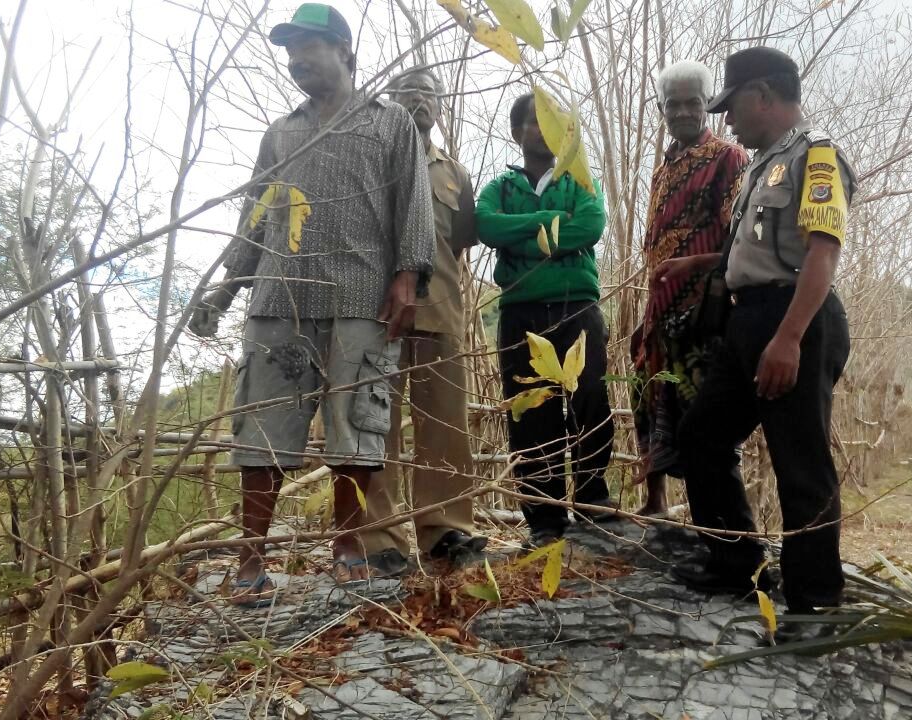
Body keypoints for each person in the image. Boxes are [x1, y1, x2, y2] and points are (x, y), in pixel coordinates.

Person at [188, 3, 434, 606]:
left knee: (356, 427)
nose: (297, 61)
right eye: (290, 51)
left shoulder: (391, 123)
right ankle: (251, 559)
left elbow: (415, 205)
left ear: (345, 52)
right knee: (262, 426)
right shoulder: (282, 132)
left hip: (361, 297)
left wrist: (407, 278)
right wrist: (224, 289)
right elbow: (255, 218)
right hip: (280, 298)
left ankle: (347, 546)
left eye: (309, 48)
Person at [668, 47, 855, 645]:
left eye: (733, 107)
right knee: (701, 435)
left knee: (800, 462)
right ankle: (736, 565)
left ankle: (814, 603)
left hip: (796, 318)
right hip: (747, 322)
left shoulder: (815, 155)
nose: (727, 122)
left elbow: (822, 253)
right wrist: (695, 263)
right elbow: (749, 251)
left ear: (764, 96)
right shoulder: (759, 165)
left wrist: (790, 339)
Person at [354, 69, 488, 569]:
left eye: (429, 94)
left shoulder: (455, 173)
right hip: (376, 311)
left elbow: (460, 242)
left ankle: (446, 530)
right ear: (390, 102)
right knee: (374, 424)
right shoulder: (371, 161)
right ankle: (379, 538)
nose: (419, 102)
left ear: (441, 106)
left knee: (445, 424)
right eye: (408, 93)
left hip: (441, 311)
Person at [476, 93, 619, 547]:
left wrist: (523, 234)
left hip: (576, 304)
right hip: (520, 310)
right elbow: (486, 226)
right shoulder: (500, 187)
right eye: (535, 123)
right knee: (529, 408)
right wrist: (552, 223)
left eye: (554, 123)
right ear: (517, 133)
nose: (546, 131)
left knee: (590, 397)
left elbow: (590, 227)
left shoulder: (579, 180)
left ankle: (594, 499)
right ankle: (543, 516)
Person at [630, 60, 747, 518]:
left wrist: (692, 267)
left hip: (703, 309)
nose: (682, 112)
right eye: (672, 104)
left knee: (701, 413)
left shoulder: (728, 158)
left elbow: (735, 243)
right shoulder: (664, 166)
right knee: (649, 393)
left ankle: (713, 521)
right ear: (662, 109)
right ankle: (654, 500)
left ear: (707, 106)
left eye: (692, 103)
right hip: (659, 306)